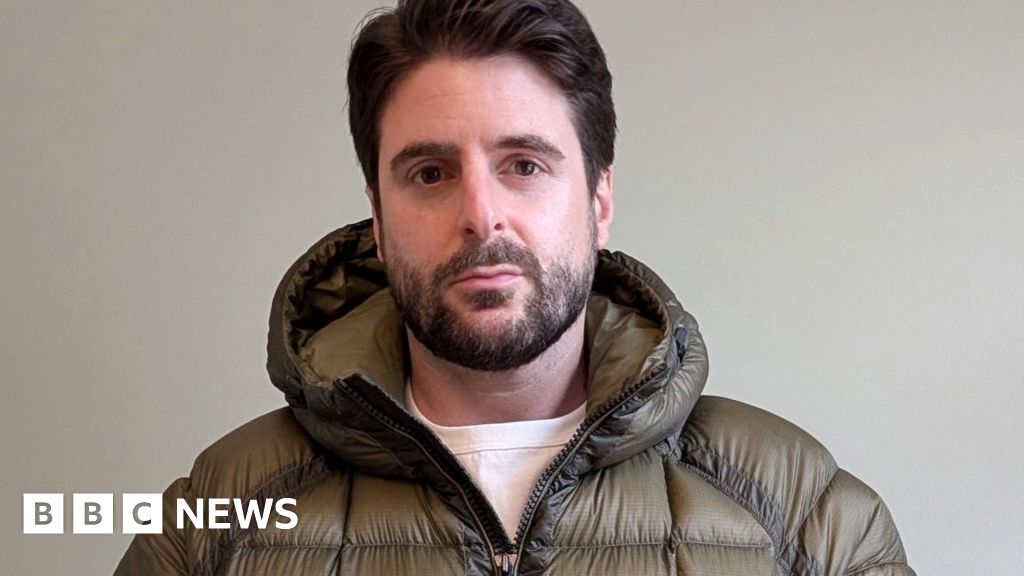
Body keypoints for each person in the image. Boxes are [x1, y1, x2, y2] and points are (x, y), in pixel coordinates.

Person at [115, 0, 914, 574]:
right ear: (378, 220)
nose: (480, 214)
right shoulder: (211, 525)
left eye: (524, 165)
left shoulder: (804, 516)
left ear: (599, 201)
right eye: (430, 173)